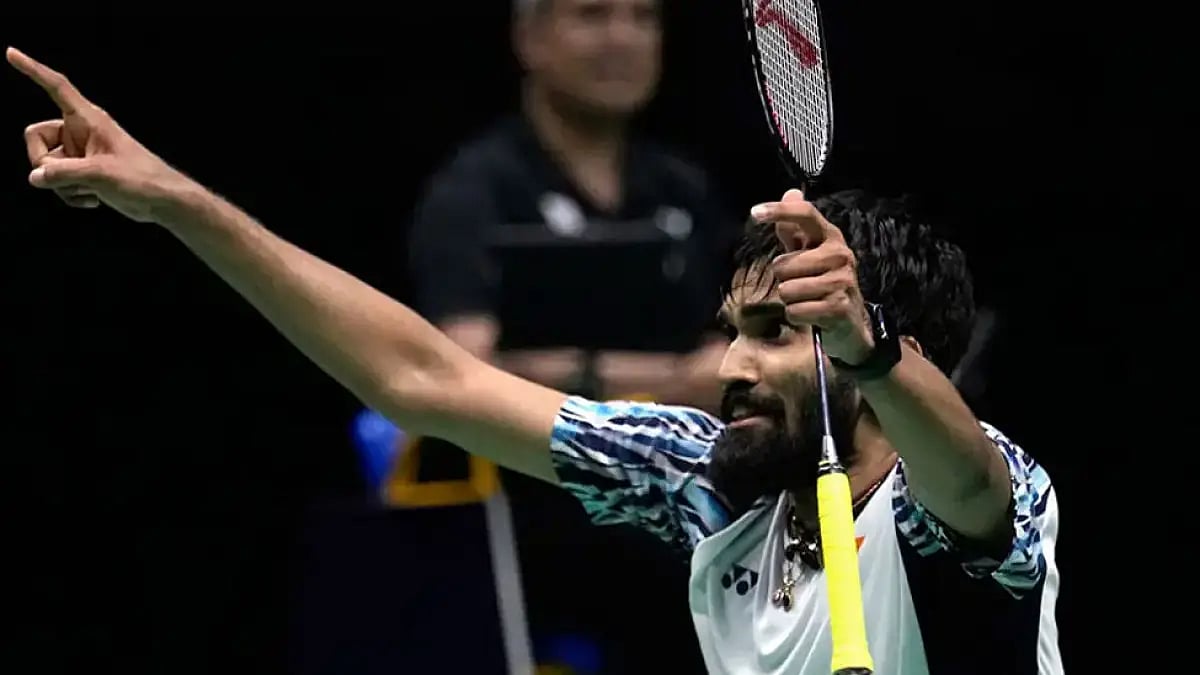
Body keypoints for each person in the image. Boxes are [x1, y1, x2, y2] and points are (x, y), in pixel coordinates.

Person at [8, 47, 1062, 675]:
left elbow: (965, 483)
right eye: (734, 327)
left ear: (883, 347)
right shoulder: (705, 483)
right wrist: (177, 204)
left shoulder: (975, 503)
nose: (729, 363)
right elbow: (422, 379)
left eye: (778, 334)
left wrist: (870, 355)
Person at [409, 0, 732, 412]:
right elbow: (466, 367)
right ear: (529, 39)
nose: (623, 39)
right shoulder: (472, 191)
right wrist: (671, 381)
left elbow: (736, 336)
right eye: (592, 15)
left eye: (643, 17)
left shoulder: (686, 187)